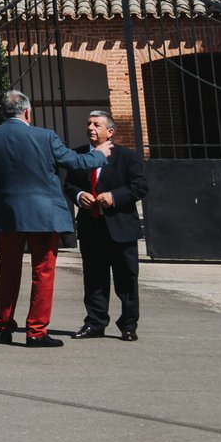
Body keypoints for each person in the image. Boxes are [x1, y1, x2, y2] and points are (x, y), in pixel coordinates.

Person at [0, 90, 103, 346]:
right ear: (28, 112)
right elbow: (74, 162)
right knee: (43, 271)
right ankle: (36, 331)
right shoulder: (45, 137)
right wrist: (100, 154)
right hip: (44, 214)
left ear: (2, 112)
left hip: (9, 215)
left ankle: (5, 327)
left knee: (8, 271)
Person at [73, 110, 146, 342]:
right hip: (91, 227)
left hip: (121, 228)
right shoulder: (78, 156)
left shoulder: (126, 156)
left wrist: (114, 197)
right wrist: (79, 194)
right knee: (94, 278)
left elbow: (139, 187)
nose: (91, 128)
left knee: (126, 279)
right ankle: (95, 323)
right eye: (89, 123)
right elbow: (68, 184)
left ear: (110, 132)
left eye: (96, 124)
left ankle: (128, 325)